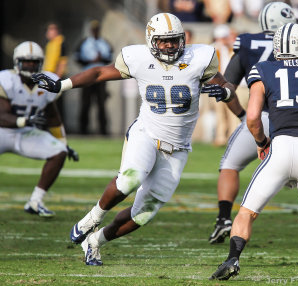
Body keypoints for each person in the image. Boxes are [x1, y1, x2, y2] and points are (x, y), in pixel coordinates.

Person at [32, 12, 245, 266]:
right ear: (150, 40)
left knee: (143, 215)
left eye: (174, 40)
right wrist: (61, 85)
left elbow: (228, 88)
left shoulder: (200, 58)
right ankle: (91, 219)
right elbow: (99, 73)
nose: (169, 46)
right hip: (146, 133)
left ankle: (95, 241)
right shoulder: (138, 58)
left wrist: (227, 96)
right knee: (129, 179)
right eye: (163, 41)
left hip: (177, 148)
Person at [210, 23, 298, 280]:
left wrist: (262, 143)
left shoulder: (263, 69)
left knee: (246, 213)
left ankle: (233, 259)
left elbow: (253, 117)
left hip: (281, 147)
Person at [208, 1, 298, 247]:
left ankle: (223, 219)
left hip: (261, 115)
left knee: (230, 164)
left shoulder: (248, 43)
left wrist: (244, 118)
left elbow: (228, 86)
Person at [0, 41, 78, 217]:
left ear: (40, 63)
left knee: (59, 152)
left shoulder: (47, 81)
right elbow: (2, 116)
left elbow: (53, 118)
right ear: (16, 62)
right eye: (26, 61)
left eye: (34, 62)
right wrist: (24, 120)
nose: (30, 65)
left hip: (25, 133)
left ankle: (35, 201)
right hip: (2, 131)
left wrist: (63, 143)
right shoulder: (5, 80)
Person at [75, 20, 113, 135]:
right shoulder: (84, 42)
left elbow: (110, 57)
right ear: (91, 31)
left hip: (101, 77)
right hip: (87, 75)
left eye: (97, 30)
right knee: (85, 103)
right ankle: (83, 129)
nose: (95, 32)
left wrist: (101, 59)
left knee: (101, 104)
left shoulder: (105, 43)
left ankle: (103, 130)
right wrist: (90, 61)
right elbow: (77, 58)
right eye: (94, 30)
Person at [43, 22, 68, 121]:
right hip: (48, 76)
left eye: (50, 30)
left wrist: (57, 78)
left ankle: (59, 124)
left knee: (58, 103)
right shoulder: (49, 44)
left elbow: (62, 61)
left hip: (56, 77)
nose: (48, 32)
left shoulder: (61, 42)